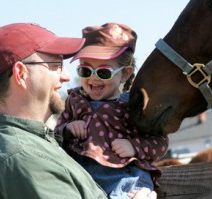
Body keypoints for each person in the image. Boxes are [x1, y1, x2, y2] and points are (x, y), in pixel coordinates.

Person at [0, 22, 156, 199]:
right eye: (55, 65)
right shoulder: (26, 158)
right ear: (21, 74)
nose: (67, 76)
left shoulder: (37, 146)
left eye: (104, 72)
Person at [54, 23, 169, 198]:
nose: (93, 77)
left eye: (104, 72)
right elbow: (55, 136)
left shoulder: (133, 105)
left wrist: (134, 146)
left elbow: (160, 141)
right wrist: (68, 129)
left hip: (124, 179)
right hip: (81, 178)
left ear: (125, 74)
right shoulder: (74, 100)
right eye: (85, 70)